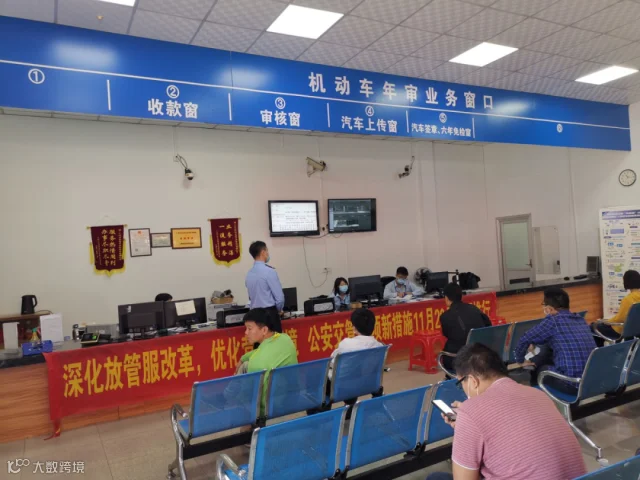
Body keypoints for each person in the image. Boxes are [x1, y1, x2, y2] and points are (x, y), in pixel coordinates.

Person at [426, 343, 586, 480]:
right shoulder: (538, 394)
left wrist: (468, 421)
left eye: (461, 383)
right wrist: (468, 426)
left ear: (473, 381)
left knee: (436, 478)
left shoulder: (470, 413)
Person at [514, 287, 596, 394]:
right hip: (590, 381)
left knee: (539, 370)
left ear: (550, 309)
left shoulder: (553, 321)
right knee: (548, 352)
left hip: (571, 384)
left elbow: (524, 339)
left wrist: (520, 361)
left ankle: (538, 399)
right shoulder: (580, 319)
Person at [307, 308, 383, 415]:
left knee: (317, 377)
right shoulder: (379, 346)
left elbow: (332, 362)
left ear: (354, 327)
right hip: (366, 384)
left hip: (340, 387)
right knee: (351, 373)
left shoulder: (346, 344)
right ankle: (349, 407)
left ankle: (320, 412)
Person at [237, 308, 298, 415]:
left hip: (264, 409)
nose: (246, 333)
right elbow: (260, 351)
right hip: (291, 399)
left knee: (240, 397)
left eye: (249, 328)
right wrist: (243, 358)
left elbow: (246, 395)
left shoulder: (256, 363)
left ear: (264, 330)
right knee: (245, 364)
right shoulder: (285, 339)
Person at [440, 283, 492, 373]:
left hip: (459, 358)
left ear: (446, 298)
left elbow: (447, 334)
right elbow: (488, 326)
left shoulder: (445, 317)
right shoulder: (474, 309)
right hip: (480, 354)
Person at [592, 269, 640, 345]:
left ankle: (598, 350)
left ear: (627, 282)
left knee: (593, 327)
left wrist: (606, 321)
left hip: (619, 330)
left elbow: (620, 318)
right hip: (635, 330)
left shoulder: (628, 299)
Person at [245, 241, 284, 333]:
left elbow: (251, 297)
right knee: (274, 341)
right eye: (267, 251)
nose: (267, 253)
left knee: (259, 341)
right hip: (269, 315)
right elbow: (280, 298)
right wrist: (278, 310)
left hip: (255, 316)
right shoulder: (269, 272)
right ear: (263, 252)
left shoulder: (249, 274)